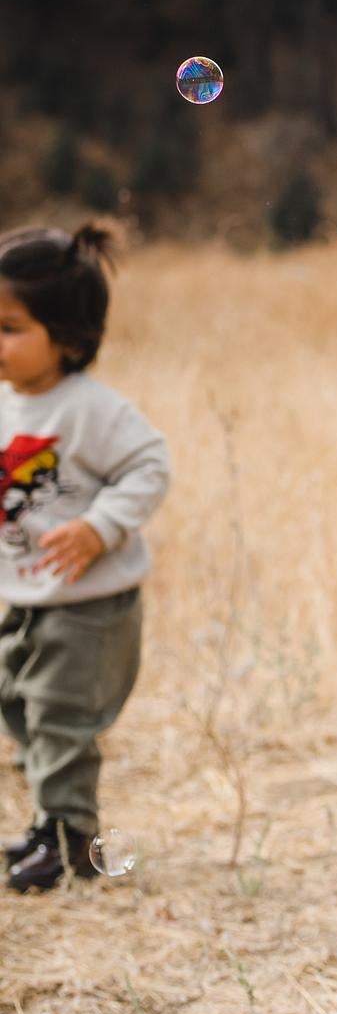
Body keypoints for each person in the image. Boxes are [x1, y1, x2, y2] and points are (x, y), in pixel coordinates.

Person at [0, 222, 170, 893]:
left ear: (67, 338)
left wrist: (100, 527)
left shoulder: (91, 410)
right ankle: (50, 822)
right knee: (17, 702)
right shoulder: (8, 403)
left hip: (89, 609)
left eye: (10, 327)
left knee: (59, 717)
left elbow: (149, 467)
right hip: (29, 598)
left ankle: (71, 838)